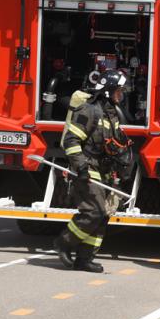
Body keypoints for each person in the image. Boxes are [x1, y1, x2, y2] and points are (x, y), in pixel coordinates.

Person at [55, 69, 132, 272]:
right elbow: (71, 141)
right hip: (87, 167)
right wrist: (80, 167)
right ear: (108, 91)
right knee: (94, 212)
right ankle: (64, 242)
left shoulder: (112, 115)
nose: (121, 95)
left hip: (104, 170)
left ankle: (84, 258)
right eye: (118, 91)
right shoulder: (89, 111)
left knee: (103, 215)